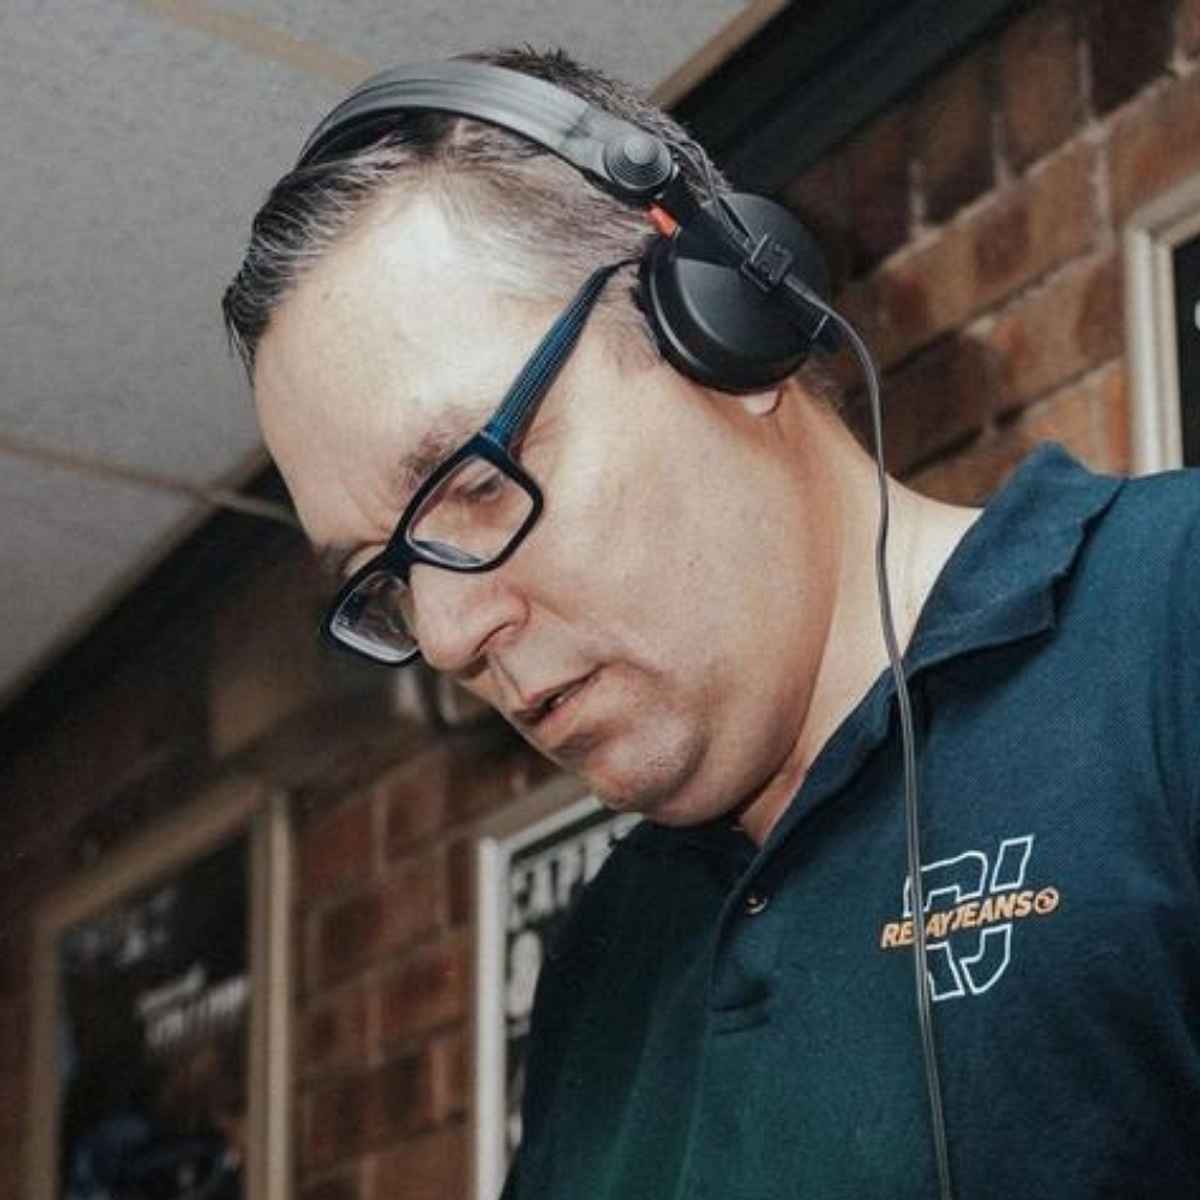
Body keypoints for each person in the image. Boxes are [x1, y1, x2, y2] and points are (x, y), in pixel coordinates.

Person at [224, 46, 1200, 1199]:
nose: (444, 637)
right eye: (383, 576)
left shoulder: (1171, 617)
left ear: (723, 318)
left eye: (476, 484)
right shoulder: (605, 958)